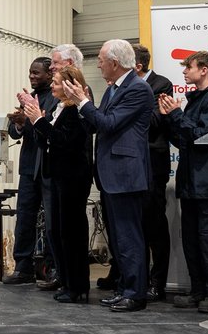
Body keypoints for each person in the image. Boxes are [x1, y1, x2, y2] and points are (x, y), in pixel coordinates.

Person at [61, 39, 153, 312]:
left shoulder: (137, 89)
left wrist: (83, 102)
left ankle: (135, 294)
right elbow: (96, 124)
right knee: (118, 238)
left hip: (125, 175)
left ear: (114, 63)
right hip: (111, 174)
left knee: (129, 237)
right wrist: (79, 107)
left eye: (101, 59)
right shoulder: (114, 89)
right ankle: (125, 288)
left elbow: (108, 124)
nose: (98, 63)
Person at [159, 51, 208, 314]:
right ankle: (198, 290)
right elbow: (184, 140)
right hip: (190, 183)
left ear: (204, 70)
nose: (185, 72)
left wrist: (176, 116)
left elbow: (203, 138)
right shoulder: (195, 100)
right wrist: (170, 118)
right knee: (192, 241)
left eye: (189, 67)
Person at [23, 65, 93, 302]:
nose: (51, 85)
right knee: (63, 232)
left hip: (73, 177)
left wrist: (39, 121)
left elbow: (64, 141)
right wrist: (36, 120)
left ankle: (77, 286)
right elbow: (49, 143)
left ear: (67, 85)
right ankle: (68, 282)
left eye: (55, 82)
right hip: (61, 175)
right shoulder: (61, 110)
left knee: (72, 234)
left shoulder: (76, 112)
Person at [3, 57, 55, 285]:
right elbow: (14, 134)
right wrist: (19, 123)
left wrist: (31, 120)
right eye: (30, 73)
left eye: (37, 73)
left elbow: (50, 129)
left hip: (49, 166)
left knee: (53, 221)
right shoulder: (28, 98)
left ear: (50, 75)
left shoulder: (55, 98)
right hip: (28, 167)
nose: (32, 77)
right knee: (24, 217)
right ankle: (22, 267)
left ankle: (53, 267)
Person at [133, 44, 173, 301]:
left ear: (136, 65)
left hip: (152, 164)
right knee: (134, 226)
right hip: (130, 166)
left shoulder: (160, 84)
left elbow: (155, 121)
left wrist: (133, 104)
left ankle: (158, 281)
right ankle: (135, 279)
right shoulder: (121, 88)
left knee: (155, 226)